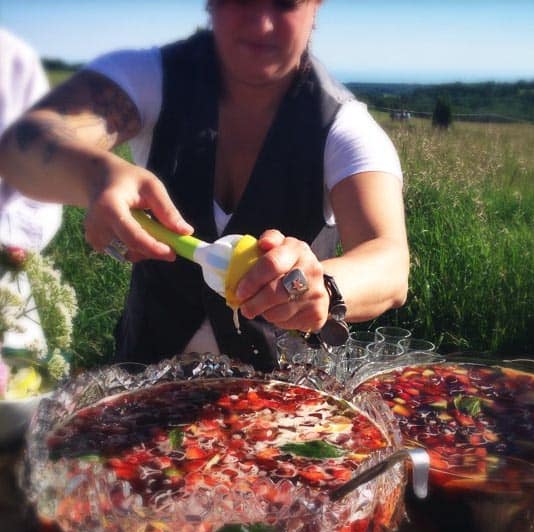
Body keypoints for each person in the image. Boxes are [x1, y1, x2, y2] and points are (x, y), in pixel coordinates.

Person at [0, 0, 408, 371]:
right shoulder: (151, 77)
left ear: (316, 7)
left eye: (285, 3)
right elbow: (25, 143)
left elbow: (389, 262)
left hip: (278, 402)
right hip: (142, 382)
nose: (261, 23)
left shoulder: (343, 126)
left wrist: (322, 284)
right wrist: (96, 177)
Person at [0, 28, 63, 352]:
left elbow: (38, 197)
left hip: (4, 281)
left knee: (18, 396)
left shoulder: (11, 60)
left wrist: (11, 241)